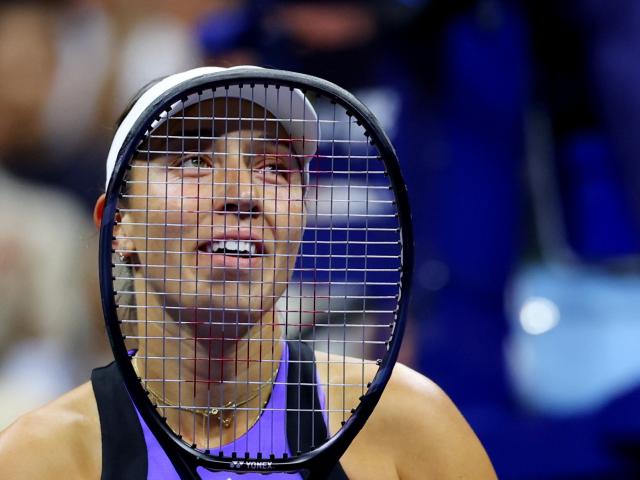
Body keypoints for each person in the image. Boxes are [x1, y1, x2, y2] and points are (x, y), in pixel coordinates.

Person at [0, 67, 496, 479]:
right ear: (118, 226)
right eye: (193, 160)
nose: (242, 193)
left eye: (274, 168)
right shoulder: (40, 461)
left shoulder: (413, 427)